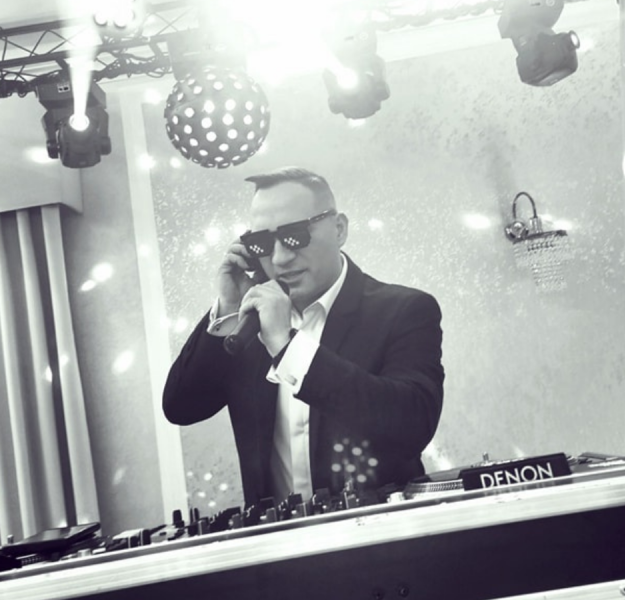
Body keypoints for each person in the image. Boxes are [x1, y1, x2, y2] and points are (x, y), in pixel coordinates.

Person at [162, 167, 444, 507]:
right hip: (280, 538)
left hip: (379, 531)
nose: (280, 258)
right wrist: (229, 309)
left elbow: (411, 427)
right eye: (262, 243)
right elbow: (181, 407)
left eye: (295, 236)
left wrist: (288, 349)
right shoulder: (249, 321)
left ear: (339, 229)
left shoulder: (404, 310)